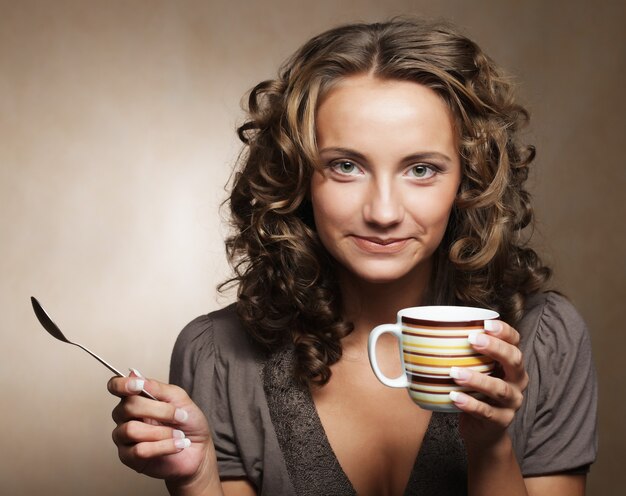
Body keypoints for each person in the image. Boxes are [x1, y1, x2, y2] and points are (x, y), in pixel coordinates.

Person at [107, 18, 597, 496]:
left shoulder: (544, 339)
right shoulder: (218, 356)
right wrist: (196, 481)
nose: (383, 212)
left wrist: (490, 448)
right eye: (346, 166)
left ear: (468, 180)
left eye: (421, 169)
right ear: (297, 176)